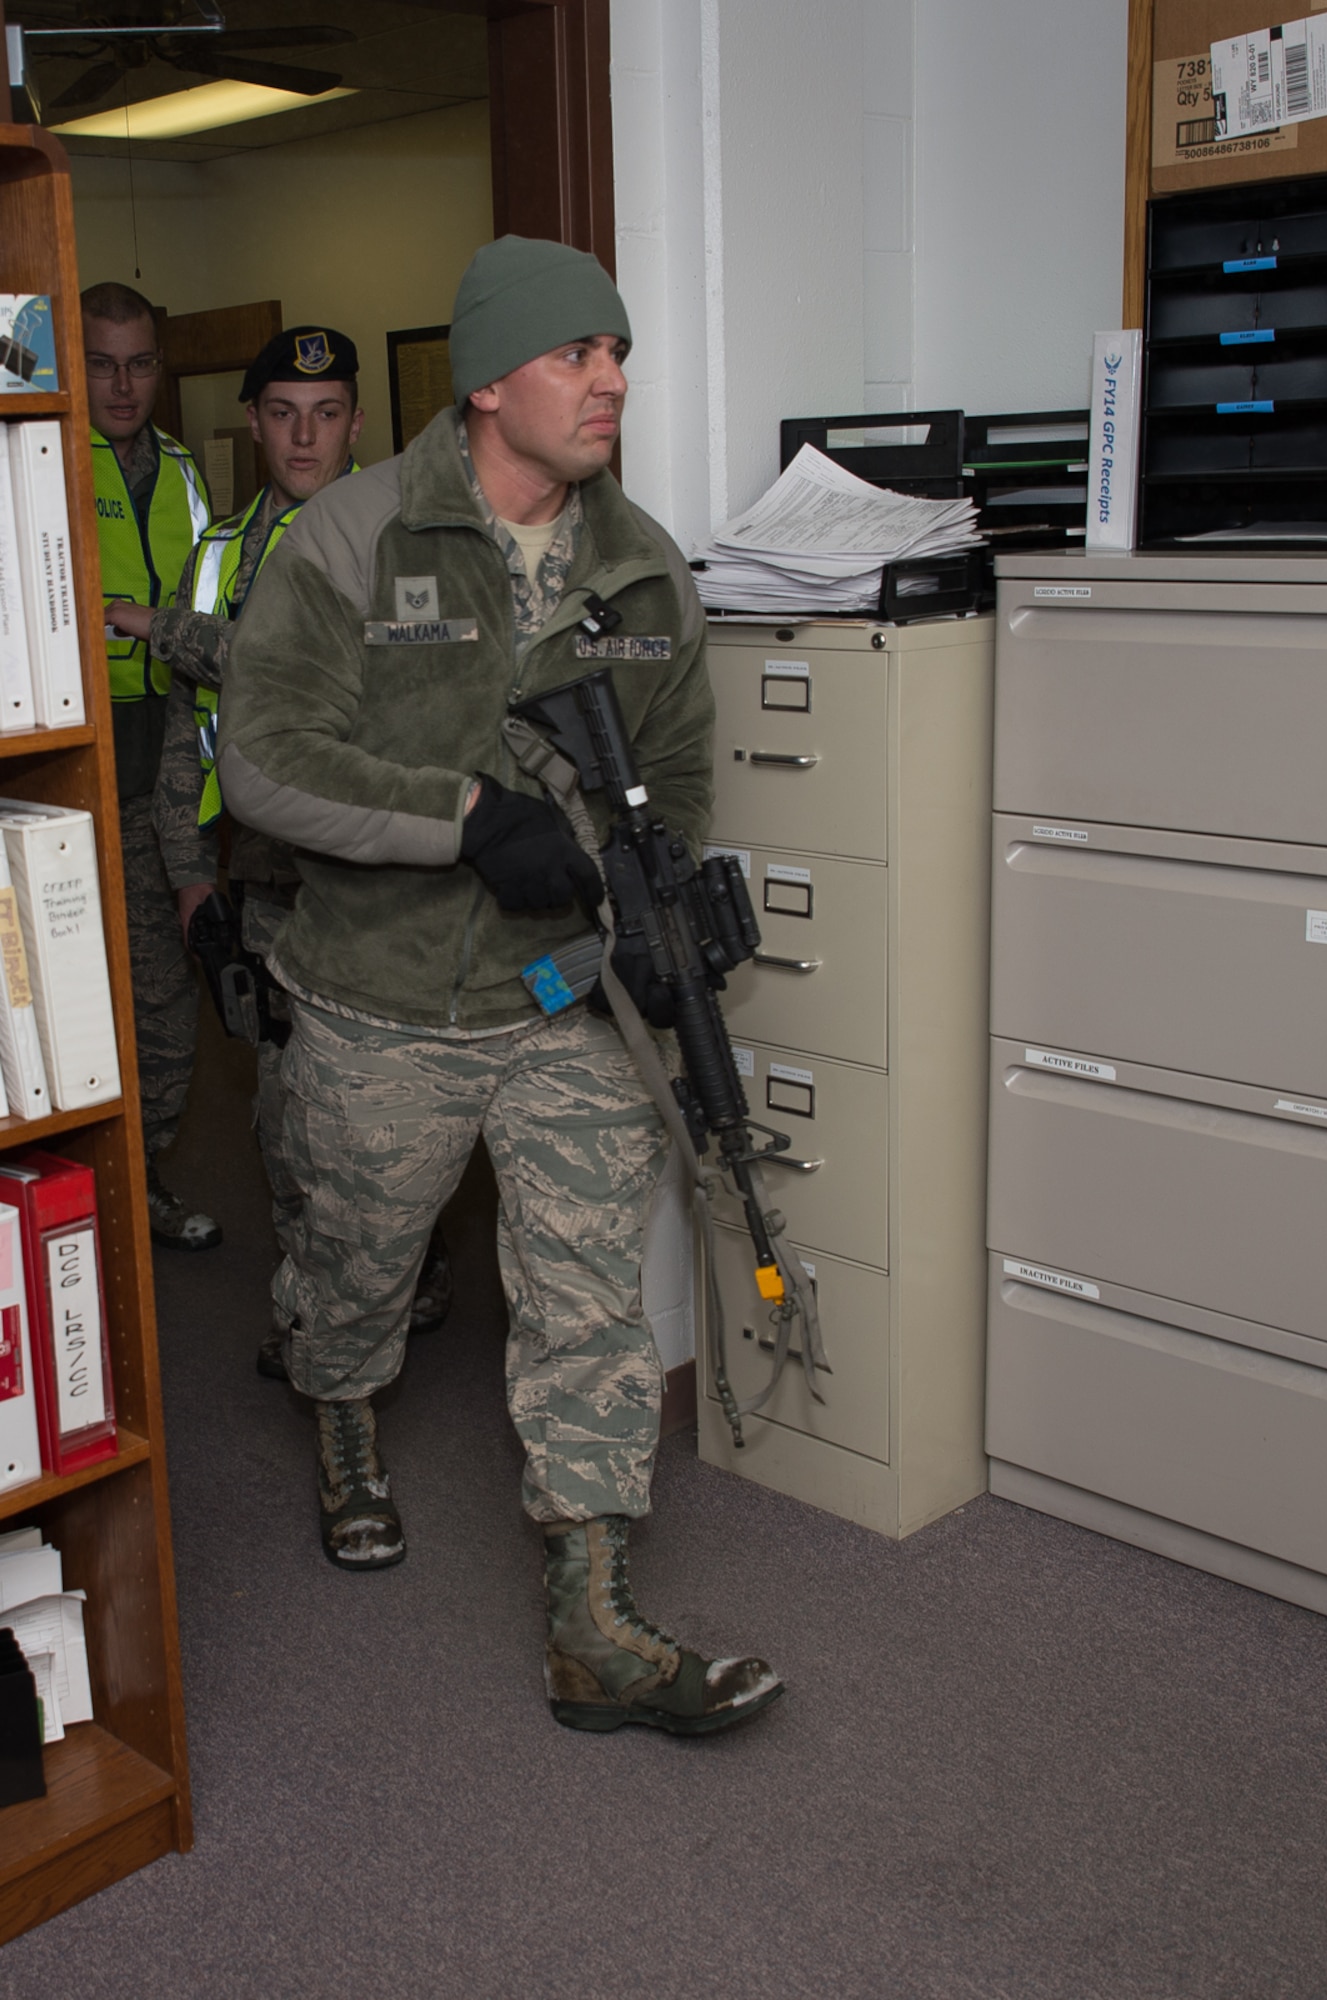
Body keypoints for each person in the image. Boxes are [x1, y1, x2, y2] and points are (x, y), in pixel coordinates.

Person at [217, 235, 782, 1737]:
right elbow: (263, 762)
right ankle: (342, 1413)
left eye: (618, 357)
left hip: (562, 1005)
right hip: (376, 1000)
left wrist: (650, 912)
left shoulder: (640, 566)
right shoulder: (349, 539)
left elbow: (673, 778)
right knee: (354, 1264)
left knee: (588, 1299)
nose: (609, 382)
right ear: (485, 384)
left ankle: (592, 1619)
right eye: (574, 357)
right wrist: (464, 820)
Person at [150, 325, 454, 1373]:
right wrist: (193, 880)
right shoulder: (221, 554)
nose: (303, 434)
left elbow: (380, 692)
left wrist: (170, 629)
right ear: (252, 423)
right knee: (286, 1116)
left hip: (377, 886)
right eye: (282, 412)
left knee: (396, 1112)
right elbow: (190, 743)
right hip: (263, 880)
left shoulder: (411, 540)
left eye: (326, 414)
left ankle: (400, 1276)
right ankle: (319, 1321)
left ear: (358, 423)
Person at [82, 280, 218, 1252]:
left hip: (164, 762)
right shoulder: (37, 456)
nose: (122, 384)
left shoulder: (180, 472)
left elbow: (210, 619)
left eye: (138, 362)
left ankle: (141, 1178)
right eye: (100, 361)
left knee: (167, 1000)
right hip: (65, 766)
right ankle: (74, 1198)